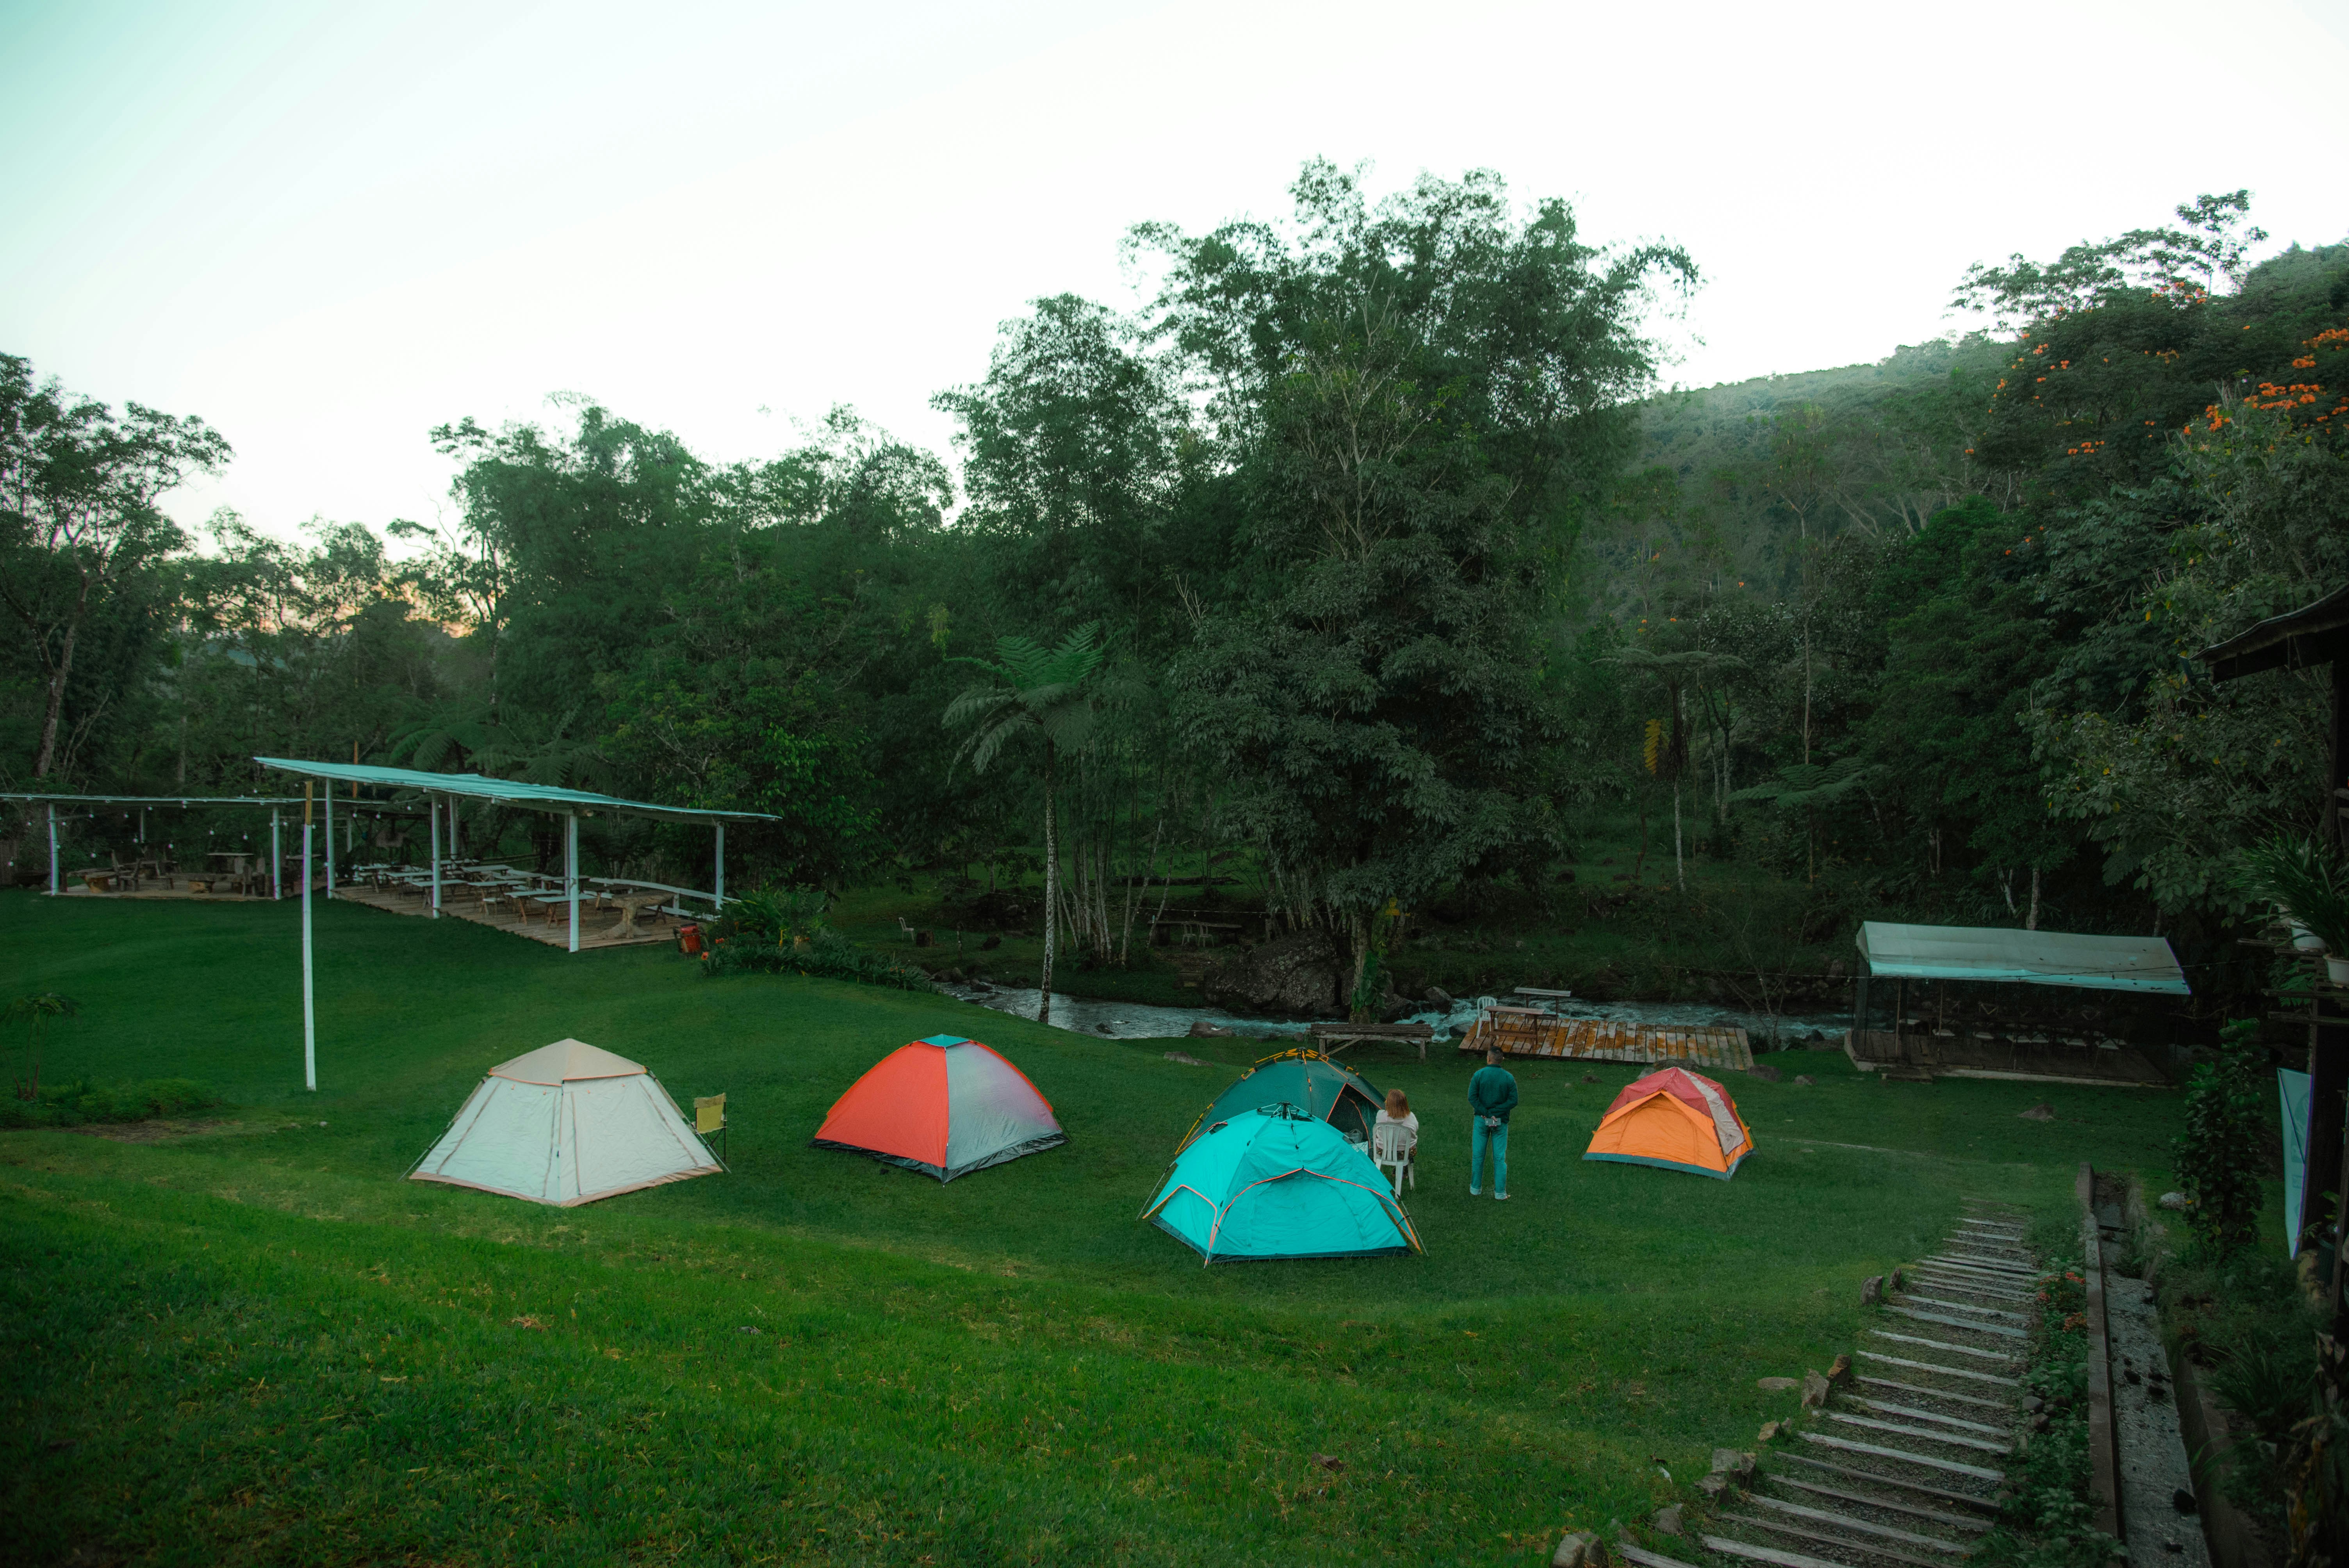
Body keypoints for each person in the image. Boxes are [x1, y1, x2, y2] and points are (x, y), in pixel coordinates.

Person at [1469, 1046, 1517, 1200]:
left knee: (1478, 1155)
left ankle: (1475, 1189)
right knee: (1499, 1157)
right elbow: (1513, 1101)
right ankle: (1500, 1193)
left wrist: (1486, 1113)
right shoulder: (1509, 1078)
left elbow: (1472, 1098)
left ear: (1488, 1059)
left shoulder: (1479, 1075)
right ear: (1502, 1060)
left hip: (1481, 1120)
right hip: (1501, 1121)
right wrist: (1496, 1113)